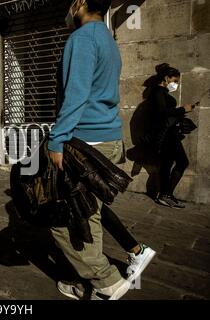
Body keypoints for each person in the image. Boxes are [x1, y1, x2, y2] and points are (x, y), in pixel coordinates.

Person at [48, 0, 155, 300]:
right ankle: (92, 284)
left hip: (85, 143)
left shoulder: (82, 38)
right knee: (88, 215)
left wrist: (57, 139)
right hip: (105, 138)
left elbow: (77, 94)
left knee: (63, 220)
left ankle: (106, 282)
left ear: (80, 3)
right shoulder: (107, 37)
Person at [147, 63, 195, 208]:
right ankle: (165, 194)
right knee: (181, 162)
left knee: (167, 164)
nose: (176, 84)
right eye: (175, 81)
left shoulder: (162, 93)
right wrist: (182, 109)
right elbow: (162, 113)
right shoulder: (158, 92)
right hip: (166, 135)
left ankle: (165, 195)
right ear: (167, 78)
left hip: (168, 133)